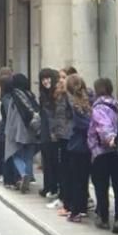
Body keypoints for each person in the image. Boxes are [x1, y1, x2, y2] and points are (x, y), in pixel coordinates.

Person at [89, 77, 118, 231]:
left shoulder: (98, 108)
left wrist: (110, 139)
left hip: (101, 151)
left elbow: (104, 126)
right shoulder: (117, 105)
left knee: (101, 186)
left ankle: (104, 217)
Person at [62, 74, 93, 223]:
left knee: (76, 179)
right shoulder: (90, 99)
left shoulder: (74, 104)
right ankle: (82, 208)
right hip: (89, 146)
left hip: (77, 145)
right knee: (84, 178)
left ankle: (76, 211)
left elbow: (80, 124)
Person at [4, 73, 40, 194]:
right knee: (28, 156)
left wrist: (8, 132)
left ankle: (23, 173)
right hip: (31, 129)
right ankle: (28, 179)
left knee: (15, 154)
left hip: (18, 131)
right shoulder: (31, 96)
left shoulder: (14, 96)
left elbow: (11, 117)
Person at [48, 68, 76, 215]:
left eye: (64, 77)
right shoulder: (59, 94)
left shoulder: (70, 95)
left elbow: (73, 114)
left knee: (68, 171)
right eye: (59, 77)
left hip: (69, 136)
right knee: (63, 169)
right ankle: (65, 200)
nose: (60, 80)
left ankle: (69, 203)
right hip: (61, 136)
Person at [37, 68, 61, 199]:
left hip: (54, 133)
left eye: (48, 78)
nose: (46, 81)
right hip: (45, 132)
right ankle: (48, 186)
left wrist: (53, 132)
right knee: (47, 160)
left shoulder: (56, 95)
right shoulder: (43, 96)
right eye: (43, 79)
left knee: (54, 161)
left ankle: (53, 187)